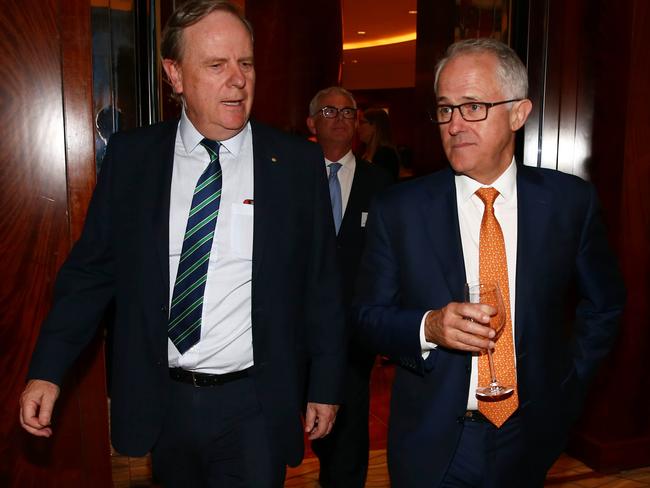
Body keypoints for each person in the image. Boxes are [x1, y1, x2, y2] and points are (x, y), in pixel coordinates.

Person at [19, 2, 346, 487]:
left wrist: (325, 384)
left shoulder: (296, 165)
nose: (238, 80)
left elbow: (322, 285)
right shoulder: (133, 160)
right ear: (174, 75)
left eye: (246, 63)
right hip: (162, 399)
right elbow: (90, 275)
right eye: (217, 65)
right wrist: (47, 369)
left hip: (255, 405)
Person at [355, 38, 625, 487]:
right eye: (445, 109)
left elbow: (605, 304)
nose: (455, 124)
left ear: (519, 113)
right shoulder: (399, 209)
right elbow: (365, 317)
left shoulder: (568, 203)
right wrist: (429, 328)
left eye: (473, 106)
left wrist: (567, 383)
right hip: (432, 442)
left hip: (529, 434)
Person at [306, 86, 392, 488]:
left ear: (358, 123)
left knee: (348, 439)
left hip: (356, 335)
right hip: (297, 333)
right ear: (312, 123)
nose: (340, 118)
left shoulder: (383, 186)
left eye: (348, 112)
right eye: (329, 110)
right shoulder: (290, 179)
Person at [358, 107, 400, 182]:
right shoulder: (364, 152)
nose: (358, 127)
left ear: (374, 126)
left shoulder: (385, 154)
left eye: (362, 122)